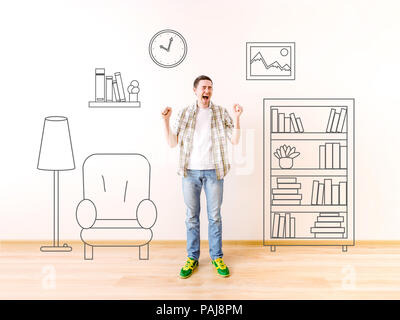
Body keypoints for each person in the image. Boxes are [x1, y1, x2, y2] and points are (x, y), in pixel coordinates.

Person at [161, 75, 243, 278]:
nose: (207, 91)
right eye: (204, 87)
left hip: (214, 172)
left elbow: (234, 140)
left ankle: (217, 257)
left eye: (210, 88)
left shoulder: (220, 112)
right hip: (190, 173)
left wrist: (238, 117)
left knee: (215, 217)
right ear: (195, 90)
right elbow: (172, 143)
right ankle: (192, 258)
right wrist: (166, 121)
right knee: (191, 217)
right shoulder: (185, 113)